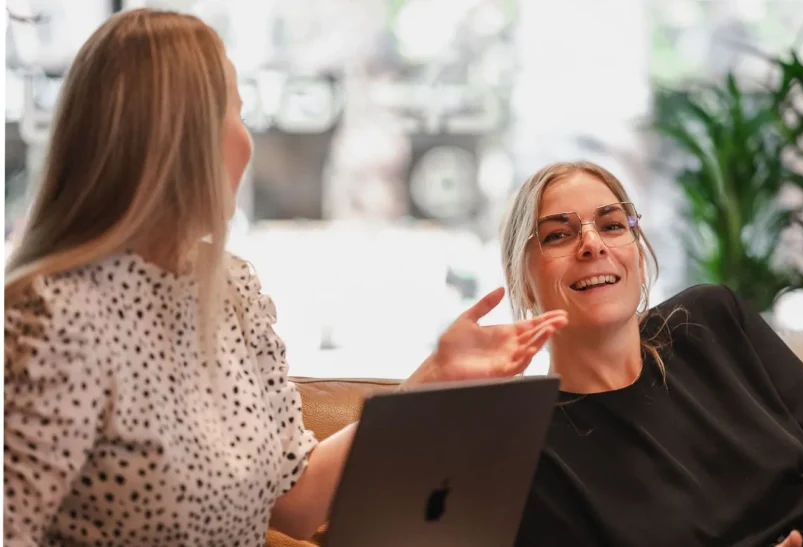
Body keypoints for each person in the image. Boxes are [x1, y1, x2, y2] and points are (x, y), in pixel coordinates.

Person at [2, 9, 568, 546]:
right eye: (234, 111)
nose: (246, 140)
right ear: (177, 137)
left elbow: (296, 502)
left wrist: (436, 377)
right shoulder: (49, 316)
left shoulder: (233, 290)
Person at [498, 161, 803, 547]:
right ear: (524, 281)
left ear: (638, 256)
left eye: (611, 224)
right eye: (558, 234)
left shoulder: (709, 321)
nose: (592, 244)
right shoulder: (527, 444)